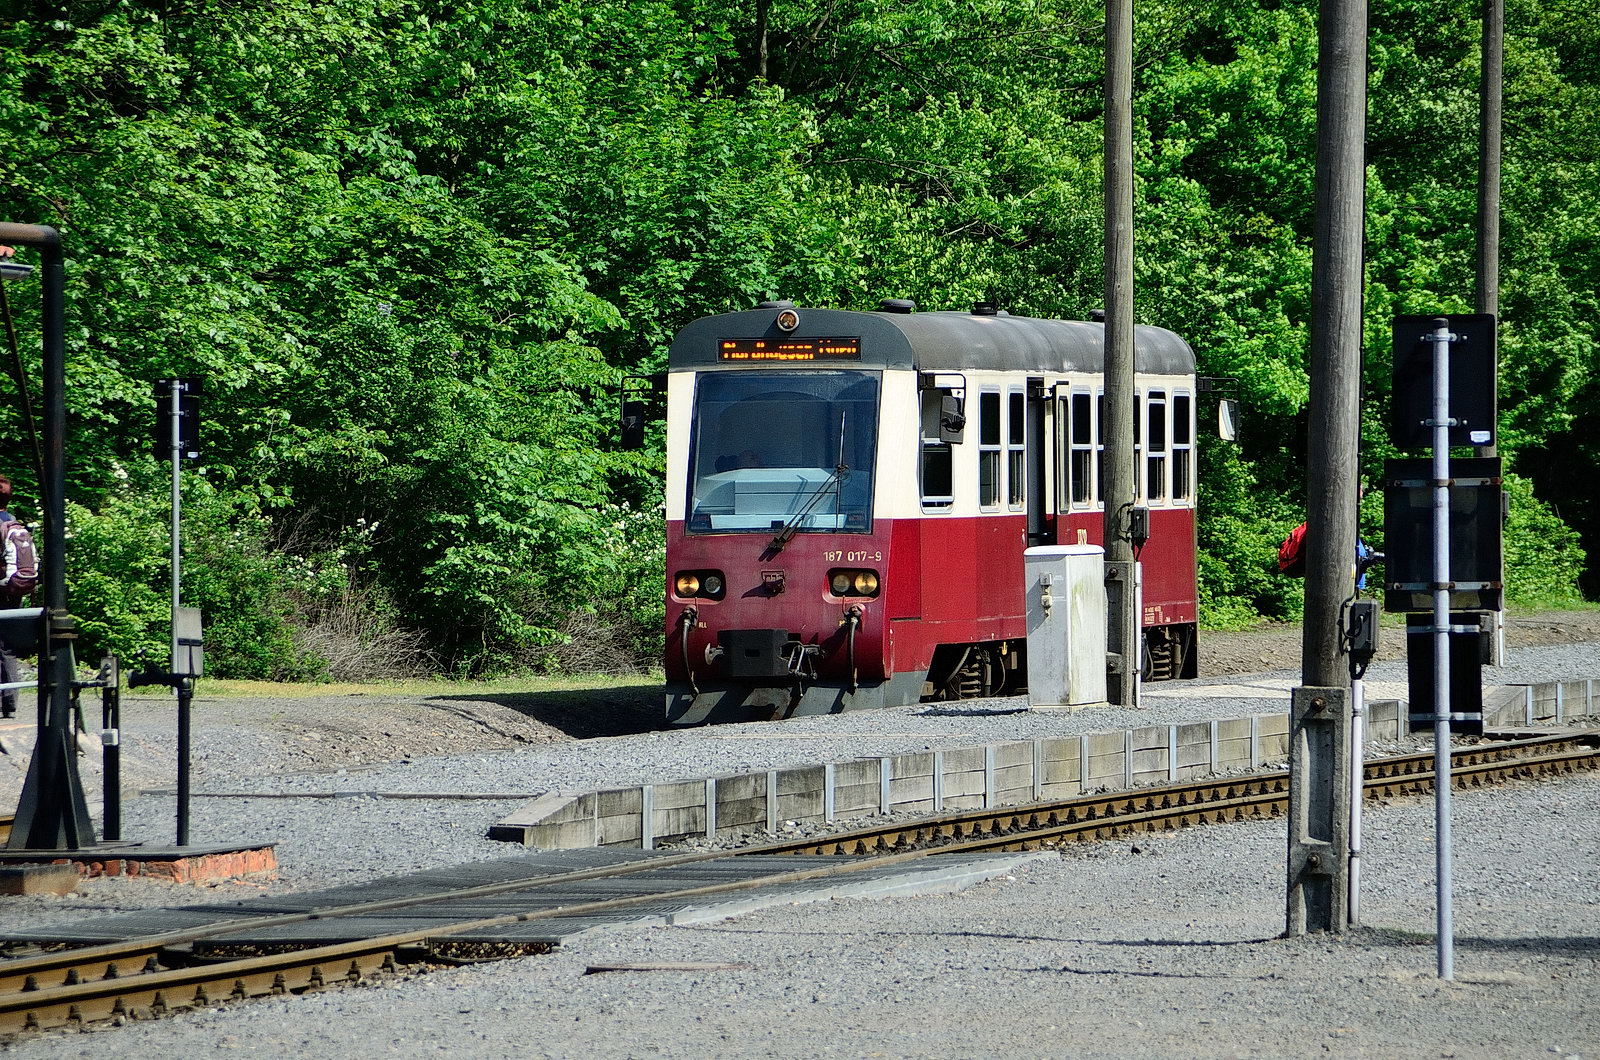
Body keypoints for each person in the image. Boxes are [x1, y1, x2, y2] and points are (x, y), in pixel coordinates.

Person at [0, 475, 38, 718]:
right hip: (15, 587)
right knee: (7, 647)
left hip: (1, 587)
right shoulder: (12, 521)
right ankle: (10, 702)